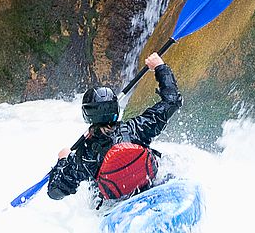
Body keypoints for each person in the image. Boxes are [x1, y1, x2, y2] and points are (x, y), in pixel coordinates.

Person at [47, 52, 182, 205]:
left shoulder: (84, 156)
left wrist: (63, 160)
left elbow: (55, 191)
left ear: (87, 115)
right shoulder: (137, 129)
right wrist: (160, 67)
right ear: (116, 109)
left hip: (116, 205)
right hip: (153, 186)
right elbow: (172, 100)